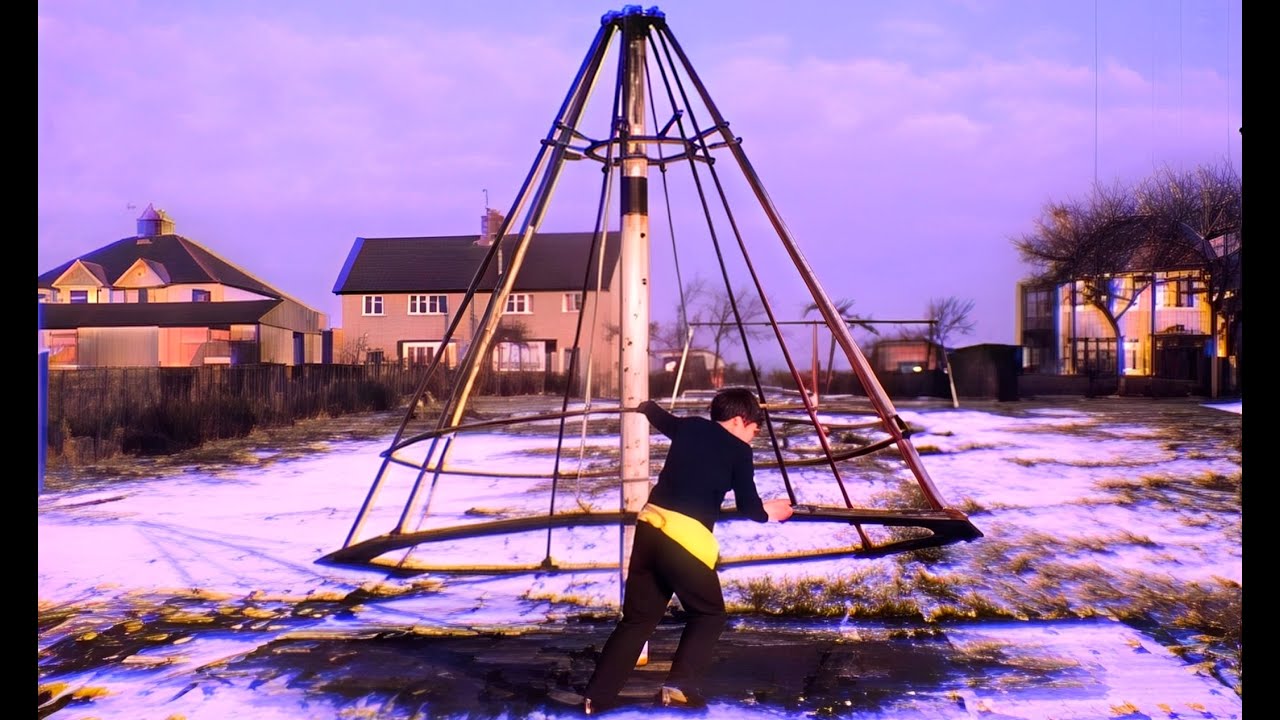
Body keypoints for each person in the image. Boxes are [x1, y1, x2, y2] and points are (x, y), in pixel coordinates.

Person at [582, 388, 793, 714]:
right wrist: (771, 512)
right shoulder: (739, 451)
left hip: (650, 528)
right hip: (684, 541)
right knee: (710, 614)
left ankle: (596, 697)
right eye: (753, 429)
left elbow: (661, 419)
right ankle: (678, 687)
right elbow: (749, 505)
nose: (753, 437)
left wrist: (646, 405)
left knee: (637, 621)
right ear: (739, 420)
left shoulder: (691, 426)